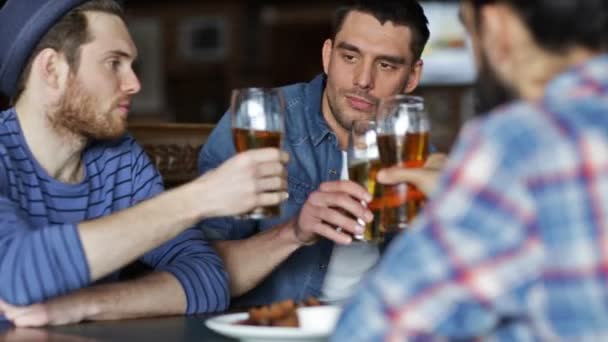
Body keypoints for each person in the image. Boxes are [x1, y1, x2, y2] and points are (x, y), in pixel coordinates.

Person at [0, 0, 288, 327]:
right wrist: (201, 197)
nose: (134, 83)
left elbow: (208, 278)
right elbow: (12, 274)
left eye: (131, 64)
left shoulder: (120, 160)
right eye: (114, 63)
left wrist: (80, 306)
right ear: (52, 69)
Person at [333, 0, 608, 340]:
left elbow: (372, 332)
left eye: (467, 30)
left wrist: (454, 204)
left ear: (495, 25)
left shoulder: (520, 143)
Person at [198, 0, 439, 307]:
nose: (363, 80)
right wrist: (295, 231)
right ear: (327, 56)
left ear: (412, 77)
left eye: (386, 65)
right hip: (277, 330)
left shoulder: (416, 154)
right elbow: (196, 271)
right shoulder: (261, 124)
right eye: (350, 56)